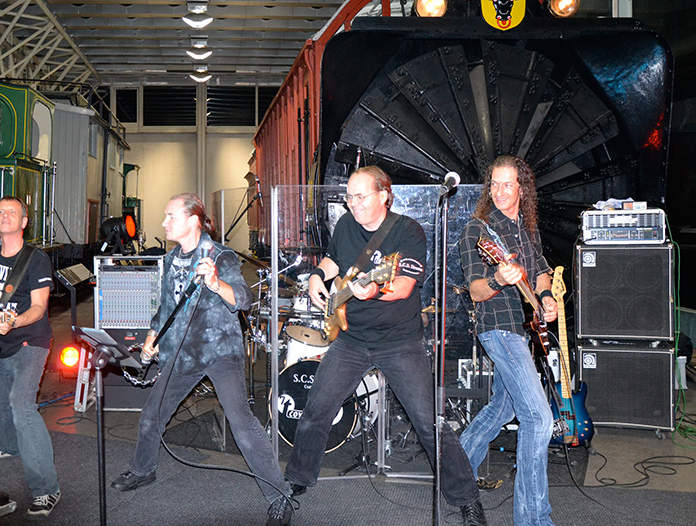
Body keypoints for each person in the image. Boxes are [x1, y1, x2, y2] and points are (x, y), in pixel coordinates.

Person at [284, 166, 486, 526]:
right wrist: (317, 275)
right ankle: (295, 482)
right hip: (351, 339)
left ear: (384, 195)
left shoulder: (408, 230)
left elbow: (404, 286)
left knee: (429, 423)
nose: (354, 203)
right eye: (349, 196)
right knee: (316, 411)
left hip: (399, 341)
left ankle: (467, 499)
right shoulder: (346, 225)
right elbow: (334, 259)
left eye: (361, 196)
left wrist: (374, 290)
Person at [111, 193, 295, 526]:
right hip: (183, 352)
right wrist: (152, 337)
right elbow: (166, 308)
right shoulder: (170, 259)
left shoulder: (221, 256)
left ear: (193, 220)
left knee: (241, 424)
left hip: (220, 352)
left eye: (171, 216)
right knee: (152, 414)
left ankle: (279, 496)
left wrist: (215, 282)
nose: (164, 222)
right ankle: (143, 469)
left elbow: (243, 299)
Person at [458, 155, 558, 526]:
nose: (499, 191)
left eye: (507, 184)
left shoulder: (527, 228)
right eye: (494, 184)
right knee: (539, 418)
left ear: (522, 188)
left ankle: (455, 475)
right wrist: (499, 278)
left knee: (503, 409)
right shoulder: (478, 230)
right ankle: (533, 519)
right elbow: (476, 291)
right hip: (498, 328)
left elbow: (541, 270)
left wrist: (545, 298)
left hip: (522, 329)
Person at [0, 195, 60, 518]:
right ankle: (9, 445)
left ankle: (47, 488)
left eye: (13, 212)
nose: (5, 216)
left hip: (30, 342)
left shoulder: (36, 260)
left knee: (21, 405)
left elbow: (39, 308)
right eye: (0, 212)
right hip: (0, 344)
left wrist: (14, 322)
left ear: (24, 222)